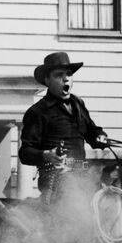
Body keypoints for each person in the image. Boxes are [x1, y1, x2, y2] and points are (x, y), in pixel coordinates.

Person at [19, 52, 109, 205]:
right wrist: (46, 155)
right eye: (59, 75)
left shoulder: (78, 104)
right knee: (77, 212)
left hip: (83, 176)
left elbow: (92, 132)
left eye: (69, 74)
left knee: (109, 200)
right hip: (55, 179)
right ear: (47, 80)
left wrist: (100, 136)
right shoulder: (38, 112)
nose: (66, 78)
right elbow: (25, 153)